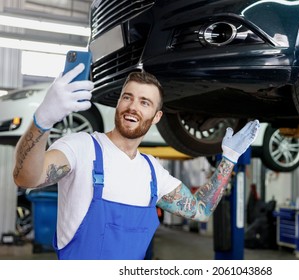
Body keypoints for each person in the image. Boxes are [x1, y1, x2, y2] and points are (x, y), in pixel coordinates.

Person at [13, 63, 260, 260]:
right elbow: (26, 177)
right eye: (127, 97)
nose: (132, 107)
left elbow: (200, 210)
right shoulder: (82, 147)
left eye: (144, 102)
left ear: (156, 117)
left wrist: (228, 159)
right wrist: (42, 122)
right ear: (119, 102)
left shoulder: (153, 172)